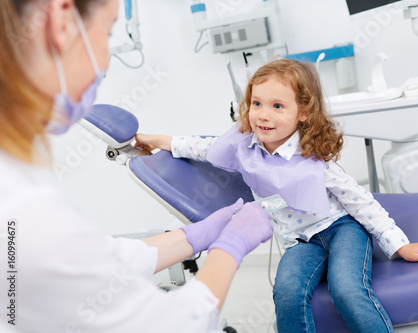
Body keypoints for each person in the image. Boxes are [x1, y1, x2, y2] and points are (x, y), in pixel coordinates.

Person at [0, 0, 274, 332]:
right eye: (109, 31)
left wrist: (192, 237)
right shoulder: (26, 212)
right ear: (62, 22)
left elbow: (96, 263)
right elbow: (175, 325)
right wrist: (230, 248)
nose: (105, 62)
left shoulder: (18, 178)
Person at [135, 57, 418, 332]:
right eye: (257, 103)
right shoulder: (244, 146)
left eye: (277, 106)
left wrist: (399, 245)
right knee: (286, 292)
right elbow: (201, 146)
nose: (263, 114)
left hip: (342, 229)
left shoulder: (313, 156)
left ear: (302, 112)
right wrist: (158, 140)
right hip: (301, 241)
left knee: (347, 289)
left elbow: (360, 200)